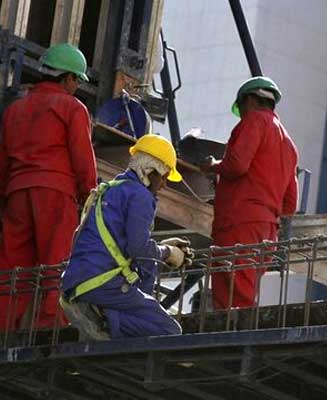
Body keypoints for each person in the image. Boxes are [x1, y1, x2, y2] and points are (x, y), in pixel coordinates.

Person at [0, 43, 97, 330]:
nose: (77, 86)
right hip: (54, 193)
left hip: (17, 193)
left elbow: (3, 158)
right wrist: (89, 195)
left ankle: (4, 325)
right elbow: (82, 158)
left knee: (12, 266)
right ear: (67, 78)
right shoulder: (72, 108)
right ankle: (49, 325)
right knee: (56, 262)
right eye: (77, 80)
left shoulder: (15, 109)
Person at [60, 134, 192, 340]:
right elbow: (139, 250)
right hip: (103, 284)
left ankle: (101, 317)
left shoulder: (109, 190)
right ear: (149, 171)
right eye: (164, 176)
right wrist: (167, 253)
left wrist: (157, 250)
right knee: (170, 332)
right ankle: (102, 320)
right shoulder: (140, 196)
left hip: (76, 282)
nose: (164, 184)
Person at [199, 76, 298, 309]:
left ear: (251, 100)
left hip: (239, 224)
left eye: (242, 108)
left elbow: (237, 165)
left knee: (231, 299)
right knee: (243, 291)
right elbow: (290, 204)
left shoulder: (254, 121)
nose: (242, 114)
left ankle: (230, 343)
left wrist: (213, 166)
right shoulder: (289, 144)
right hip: (266, 231)